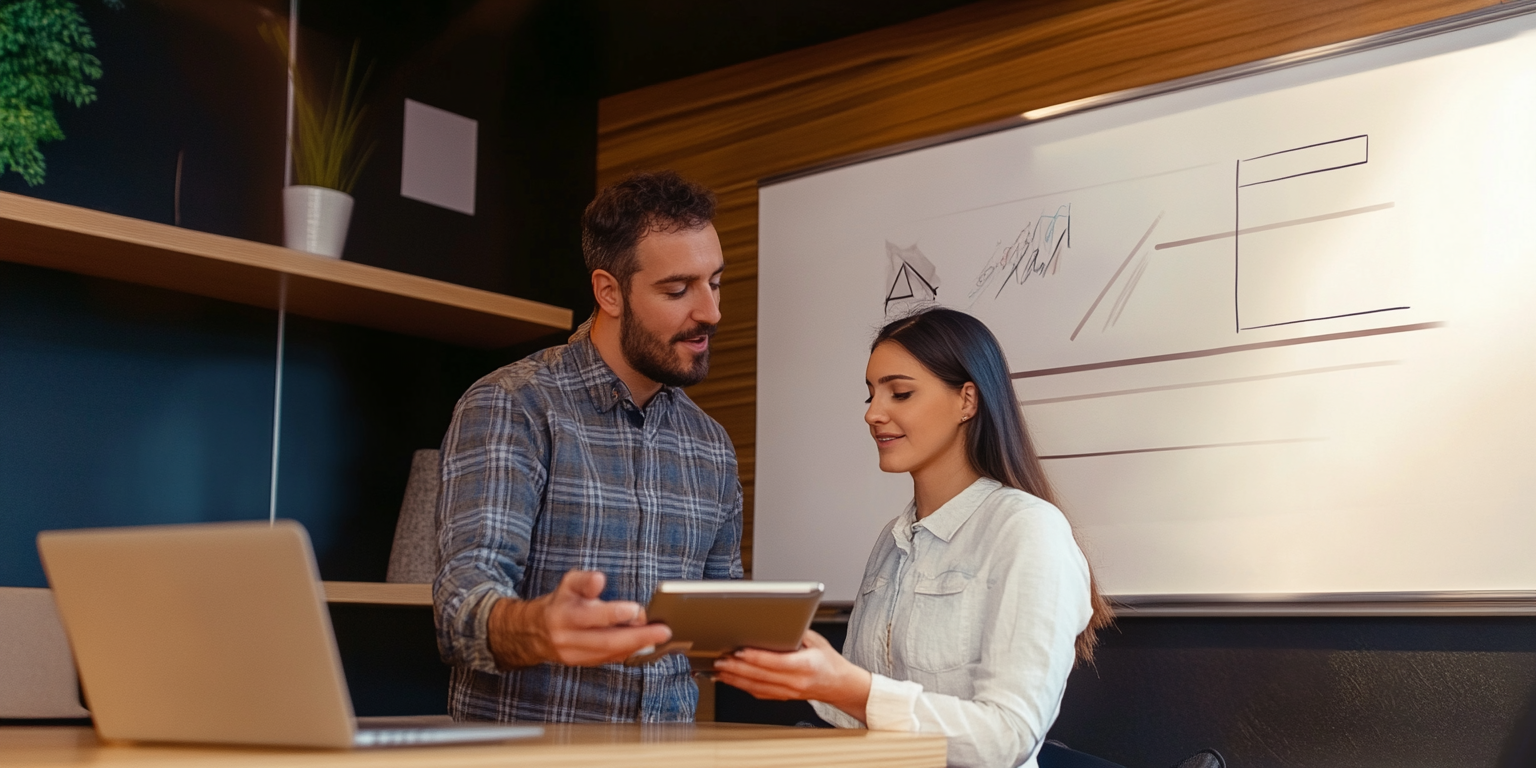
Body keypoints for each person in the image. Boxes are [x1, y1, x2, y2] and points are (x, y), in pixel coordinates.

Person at [713, 306, 1113, 768]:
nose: (872, 414)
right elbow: (855, 724)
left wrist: (848, 688)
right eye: (870, 395)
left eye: (900, 393)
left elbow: (1008, 738)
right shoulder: (892, 541)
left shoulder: (1028, 531)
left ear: (967, 400)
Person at [433, 171, 744, 723]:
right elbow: (461, 608)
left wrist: (759, 643)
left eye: (714, 282)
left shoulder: (711, 445)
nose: (711, 313)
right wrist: (540, 628)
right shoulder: (514, 405)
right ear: (609, 291)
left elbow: (716, 630)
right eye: (678, 290)